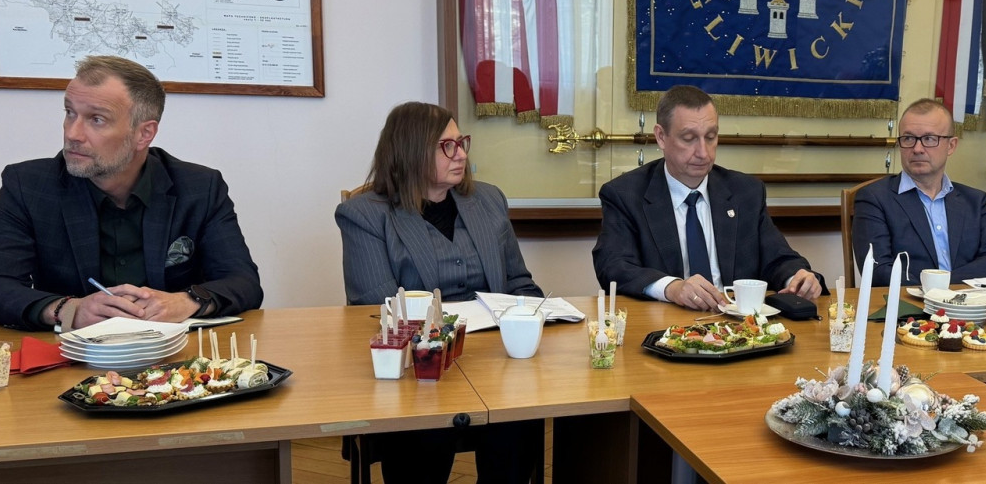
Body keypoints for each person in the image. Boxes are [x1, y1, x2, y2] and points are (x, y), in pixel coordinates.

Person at [0, 55, 262, 330]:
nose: (72, 133)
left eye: (97, 119)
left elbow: (244, 282)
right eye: (70, 113)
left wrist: (185, 301)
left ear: (144, 133)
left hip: (176, 356)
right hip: (71, 358)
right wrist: (68, 309)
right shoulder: (28, 186)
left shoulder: (199, 187)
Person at [336, 101, 543, 484]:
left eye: (462, 142)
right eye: (447, 146)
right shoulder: (365, 214)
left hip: (494, 363)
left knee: (520, 418)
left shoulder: (489, 200)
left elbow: (519, 283)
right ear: (411, 151)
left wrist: (536, 314)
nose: (461, 154)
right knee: (423, 433)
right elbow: (374, 308)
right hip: (419, 371)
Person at [592, 85, 824, 310]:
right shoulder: (625, 195)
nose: (703, 152)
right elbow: (613, 266)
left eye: (711, 137)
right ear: (661, 137)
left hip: (738, 325)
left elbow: (778, 258)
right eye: (689, 138)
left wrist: (797, 277)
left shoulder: (745, 192)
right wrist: (672, 288)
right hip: (666, 324)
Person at [852, 98, 986, 284]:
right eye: (908, 139)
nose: (917, 149)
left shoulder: (974, 201)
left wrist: (942, 286)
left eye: (929, 139)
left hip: (968, 301)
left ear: (951, 146)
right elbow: (878, 273)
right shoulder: (874, 199)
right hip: (909, 301)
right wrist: (938, 290)